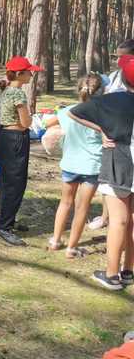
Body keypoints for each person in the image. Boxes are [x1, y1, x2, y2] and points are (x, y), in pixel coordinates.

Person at [69, 54, 134, 290]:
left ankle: (112, 275)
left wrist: (103, 131)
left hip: (119, 162)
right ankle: (128, 270)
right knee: (131, 221)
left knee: (118, 220)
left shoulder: (111, 100)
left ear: (123, 79)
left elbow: (74, 112)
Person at [45, 73, 105, 258]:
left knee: (65, 203)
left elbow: (47, 122)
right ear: (102, 91)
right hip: (92, 167)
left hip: (70, 164)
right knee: (82, 207)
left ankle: (55, 241)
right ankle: (72, 247)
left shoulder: (68, 111)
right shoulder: (103, 114)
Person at [0, 56, 44, 246]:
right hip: (15, 139)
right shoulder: (18, 94)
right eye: (28, 71)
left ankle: (8, 219)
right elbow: (26, 122)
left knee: (7, 181)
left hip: (4, 138)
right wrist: (34, 119)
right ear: (19, 74)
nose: (32, 74)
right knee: (15, 184)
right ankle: (4, 227)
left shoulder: (6, 90)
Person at [88, 40, 134, 231]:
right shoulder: (114, 77)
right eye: (116, 56)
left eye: (122, 57)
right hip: (114, 142)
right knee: (111, 184)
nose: (117, 61)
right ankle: (106, 217)